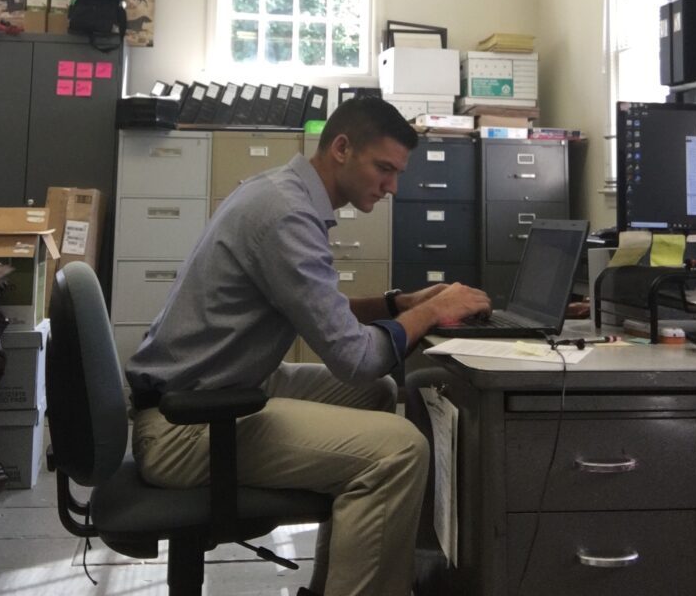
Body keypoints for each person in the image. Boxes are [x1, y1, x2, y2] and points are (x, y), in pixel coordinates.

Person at [126, 96, 491, 596]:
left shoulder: (280, 191)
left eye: (397, 173)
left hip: (203, 393)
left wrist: (399, 302)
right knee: (400, 450)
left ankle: (331, 584)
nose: (392, 187)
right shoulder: (287, 214)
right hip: (183, 427)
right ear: (342, 148)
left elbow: (322, 312)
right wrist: (431, 312)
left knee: (378, 395)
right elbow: (355, 358)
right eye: (384, 168)